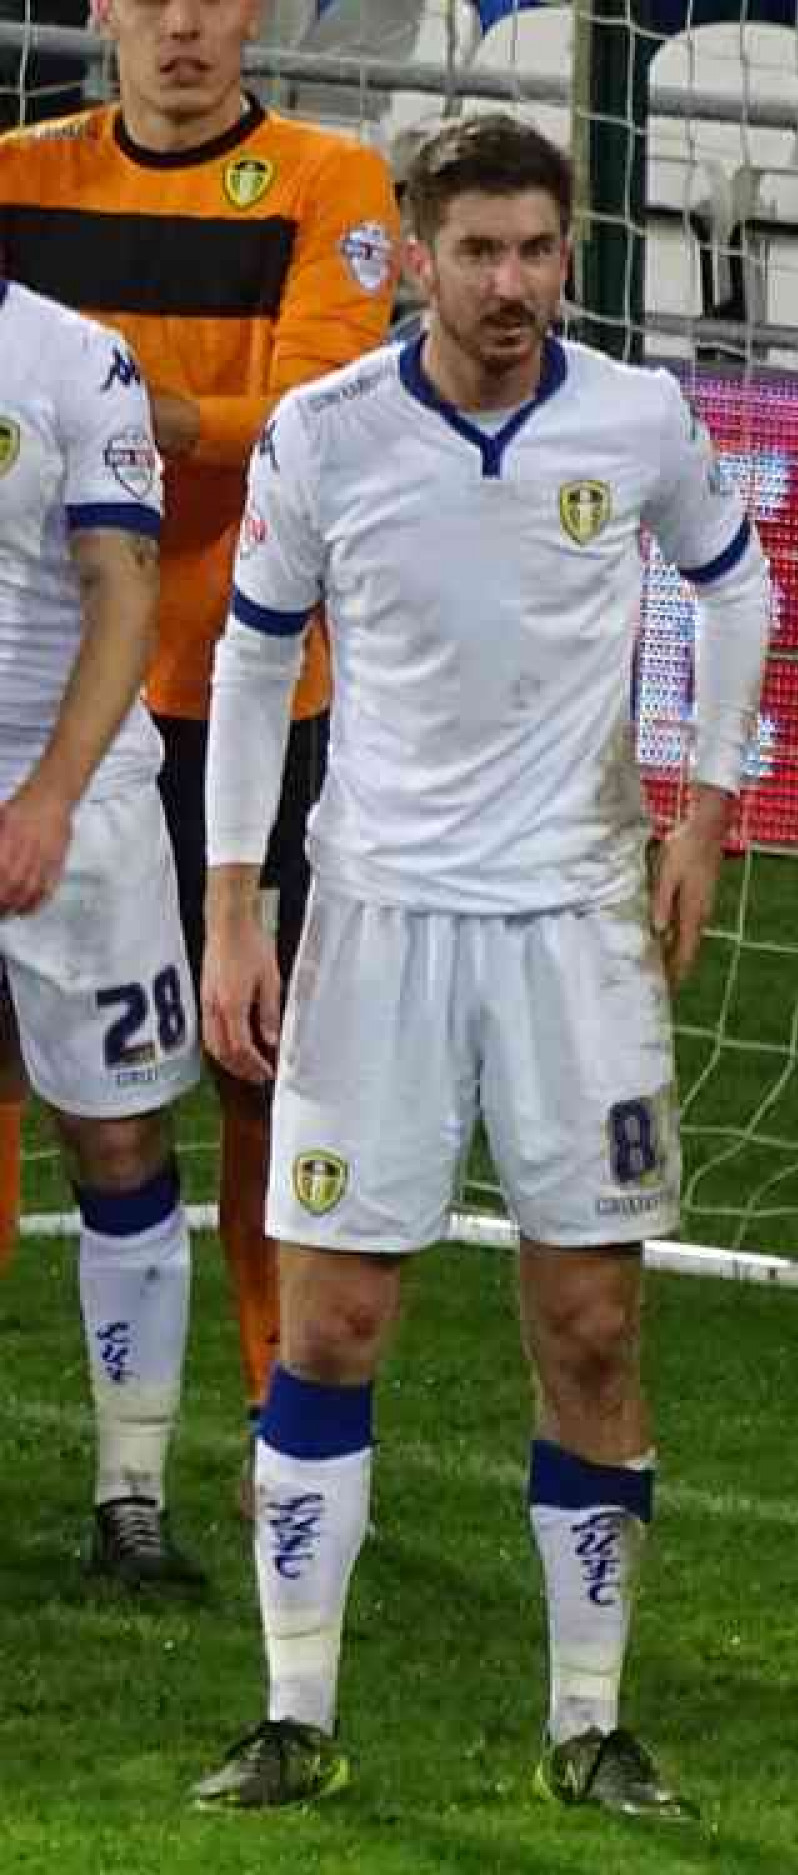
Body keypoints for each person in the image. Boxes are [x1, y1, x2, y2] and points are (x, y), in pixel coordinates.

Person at [192, 112, 771, 1815]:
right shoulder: (330, 433)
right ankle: (294, 1717)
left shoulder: (637, 418)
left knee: (590, 1326)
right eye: (479, 253)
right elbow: (248, 667)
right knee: (335, 1320)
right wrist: (239, 903)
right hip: (374, 926)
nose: (512, 284)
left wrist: (707, 811)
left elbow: (735, 591)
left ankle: (588, 1728)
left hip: (579, 929)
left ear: (565, 250)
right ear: (419, 258)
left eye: (538, 250)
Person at [0, 0, 400, 1480]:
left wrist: (121, 408)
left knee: (254, 1057)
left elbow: (322, 415)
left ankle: (266, 1404)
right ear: (99, 8)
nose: (181, 22)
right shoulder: (20, 176)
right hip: (54, 715)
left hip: (243, 692)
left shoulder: (326, 180)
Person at [0, 278, 203, 1586]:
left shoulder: (77, 358)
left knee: (120, 1135)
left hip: (79, 803)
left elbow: (125, 591)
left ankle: (131, 1494)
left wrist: (50, 796)